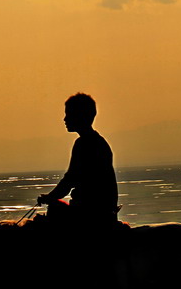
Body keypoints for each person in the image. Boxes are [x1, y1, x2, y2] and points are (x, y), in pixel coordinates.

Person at [37, 93, 119, 230]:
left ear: (80, 116)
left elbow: (69, 180)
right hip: (104, 212)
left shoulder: (84, 144)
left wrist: (48, 198)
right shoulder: (99, 142)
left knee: (52, 212)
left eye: (68, 114)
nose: (64, 119)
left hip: (89, 214)